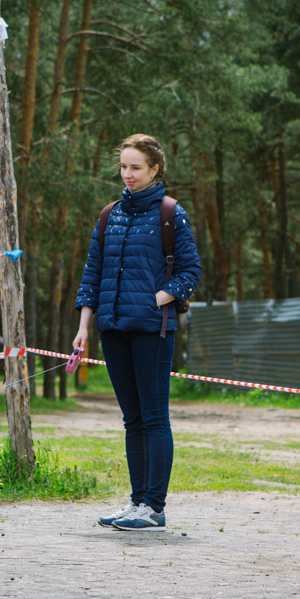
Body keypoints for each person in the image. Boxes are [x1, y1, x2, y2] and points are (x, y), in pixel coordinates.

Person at [72, 134, 201, 531]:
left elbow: (190, 272)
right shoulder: (109, 215)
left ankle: (154, 508)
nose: (128, 175)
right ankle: (136, 501)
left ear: (155, 169)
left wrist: (157, 298)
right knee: (132, 420)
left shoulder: (170, 213)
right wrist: (83, 327)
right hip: (112, 331)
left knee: (154, 417)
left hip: (152, 332)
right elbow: (92, 274)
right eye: (124, 167)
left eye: (136, 168)